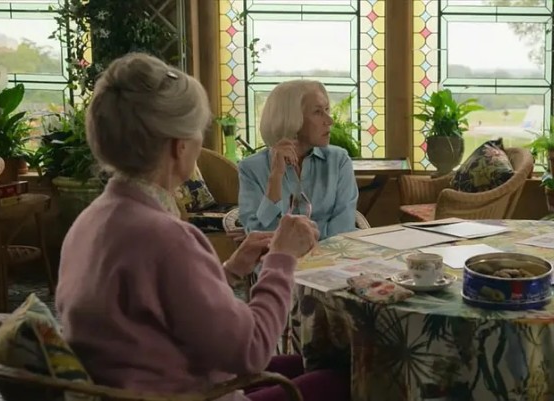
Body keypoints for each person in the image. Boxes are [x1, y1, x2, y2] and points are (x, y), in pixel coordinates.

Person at [55, 53, 348, 401]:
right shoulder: (167, 238)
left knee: (316, 363)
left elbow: (169, 306)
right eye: (198, 131)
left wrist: (232, 269)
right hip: (190, 393)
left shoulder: (90, 221)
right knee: (344, 378)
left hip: (153, 382)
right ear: (179, 147)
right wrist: (280, 259)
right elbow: (252, 350)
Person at [238, 79, 358, 240]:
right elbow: (258, 234)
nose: (330, 121)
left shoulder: (339, 160)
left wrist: (290, 237)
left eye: (327, 110)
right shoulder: (251, 168)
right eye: (317, 112)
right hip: (277, 256)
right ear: (291, 118)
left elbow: (344, 228)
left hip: (332, 254)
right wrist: (275, 177)